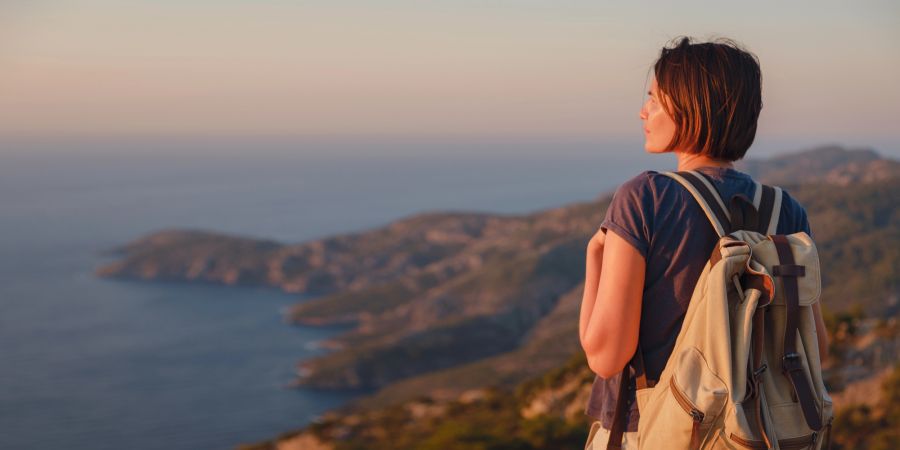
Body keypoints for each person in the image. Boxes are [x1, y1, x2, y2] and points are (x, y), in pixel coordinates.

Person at [578, 36, 830, 450]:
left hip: (658, 428)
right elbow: (813, 346)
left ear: (691, 108)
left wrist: (594, 257)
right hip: (754, 432)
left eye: (655, 100)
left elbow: (605, 356)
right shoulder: (786, 210)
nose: (643, 111)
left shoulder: (645, 198)